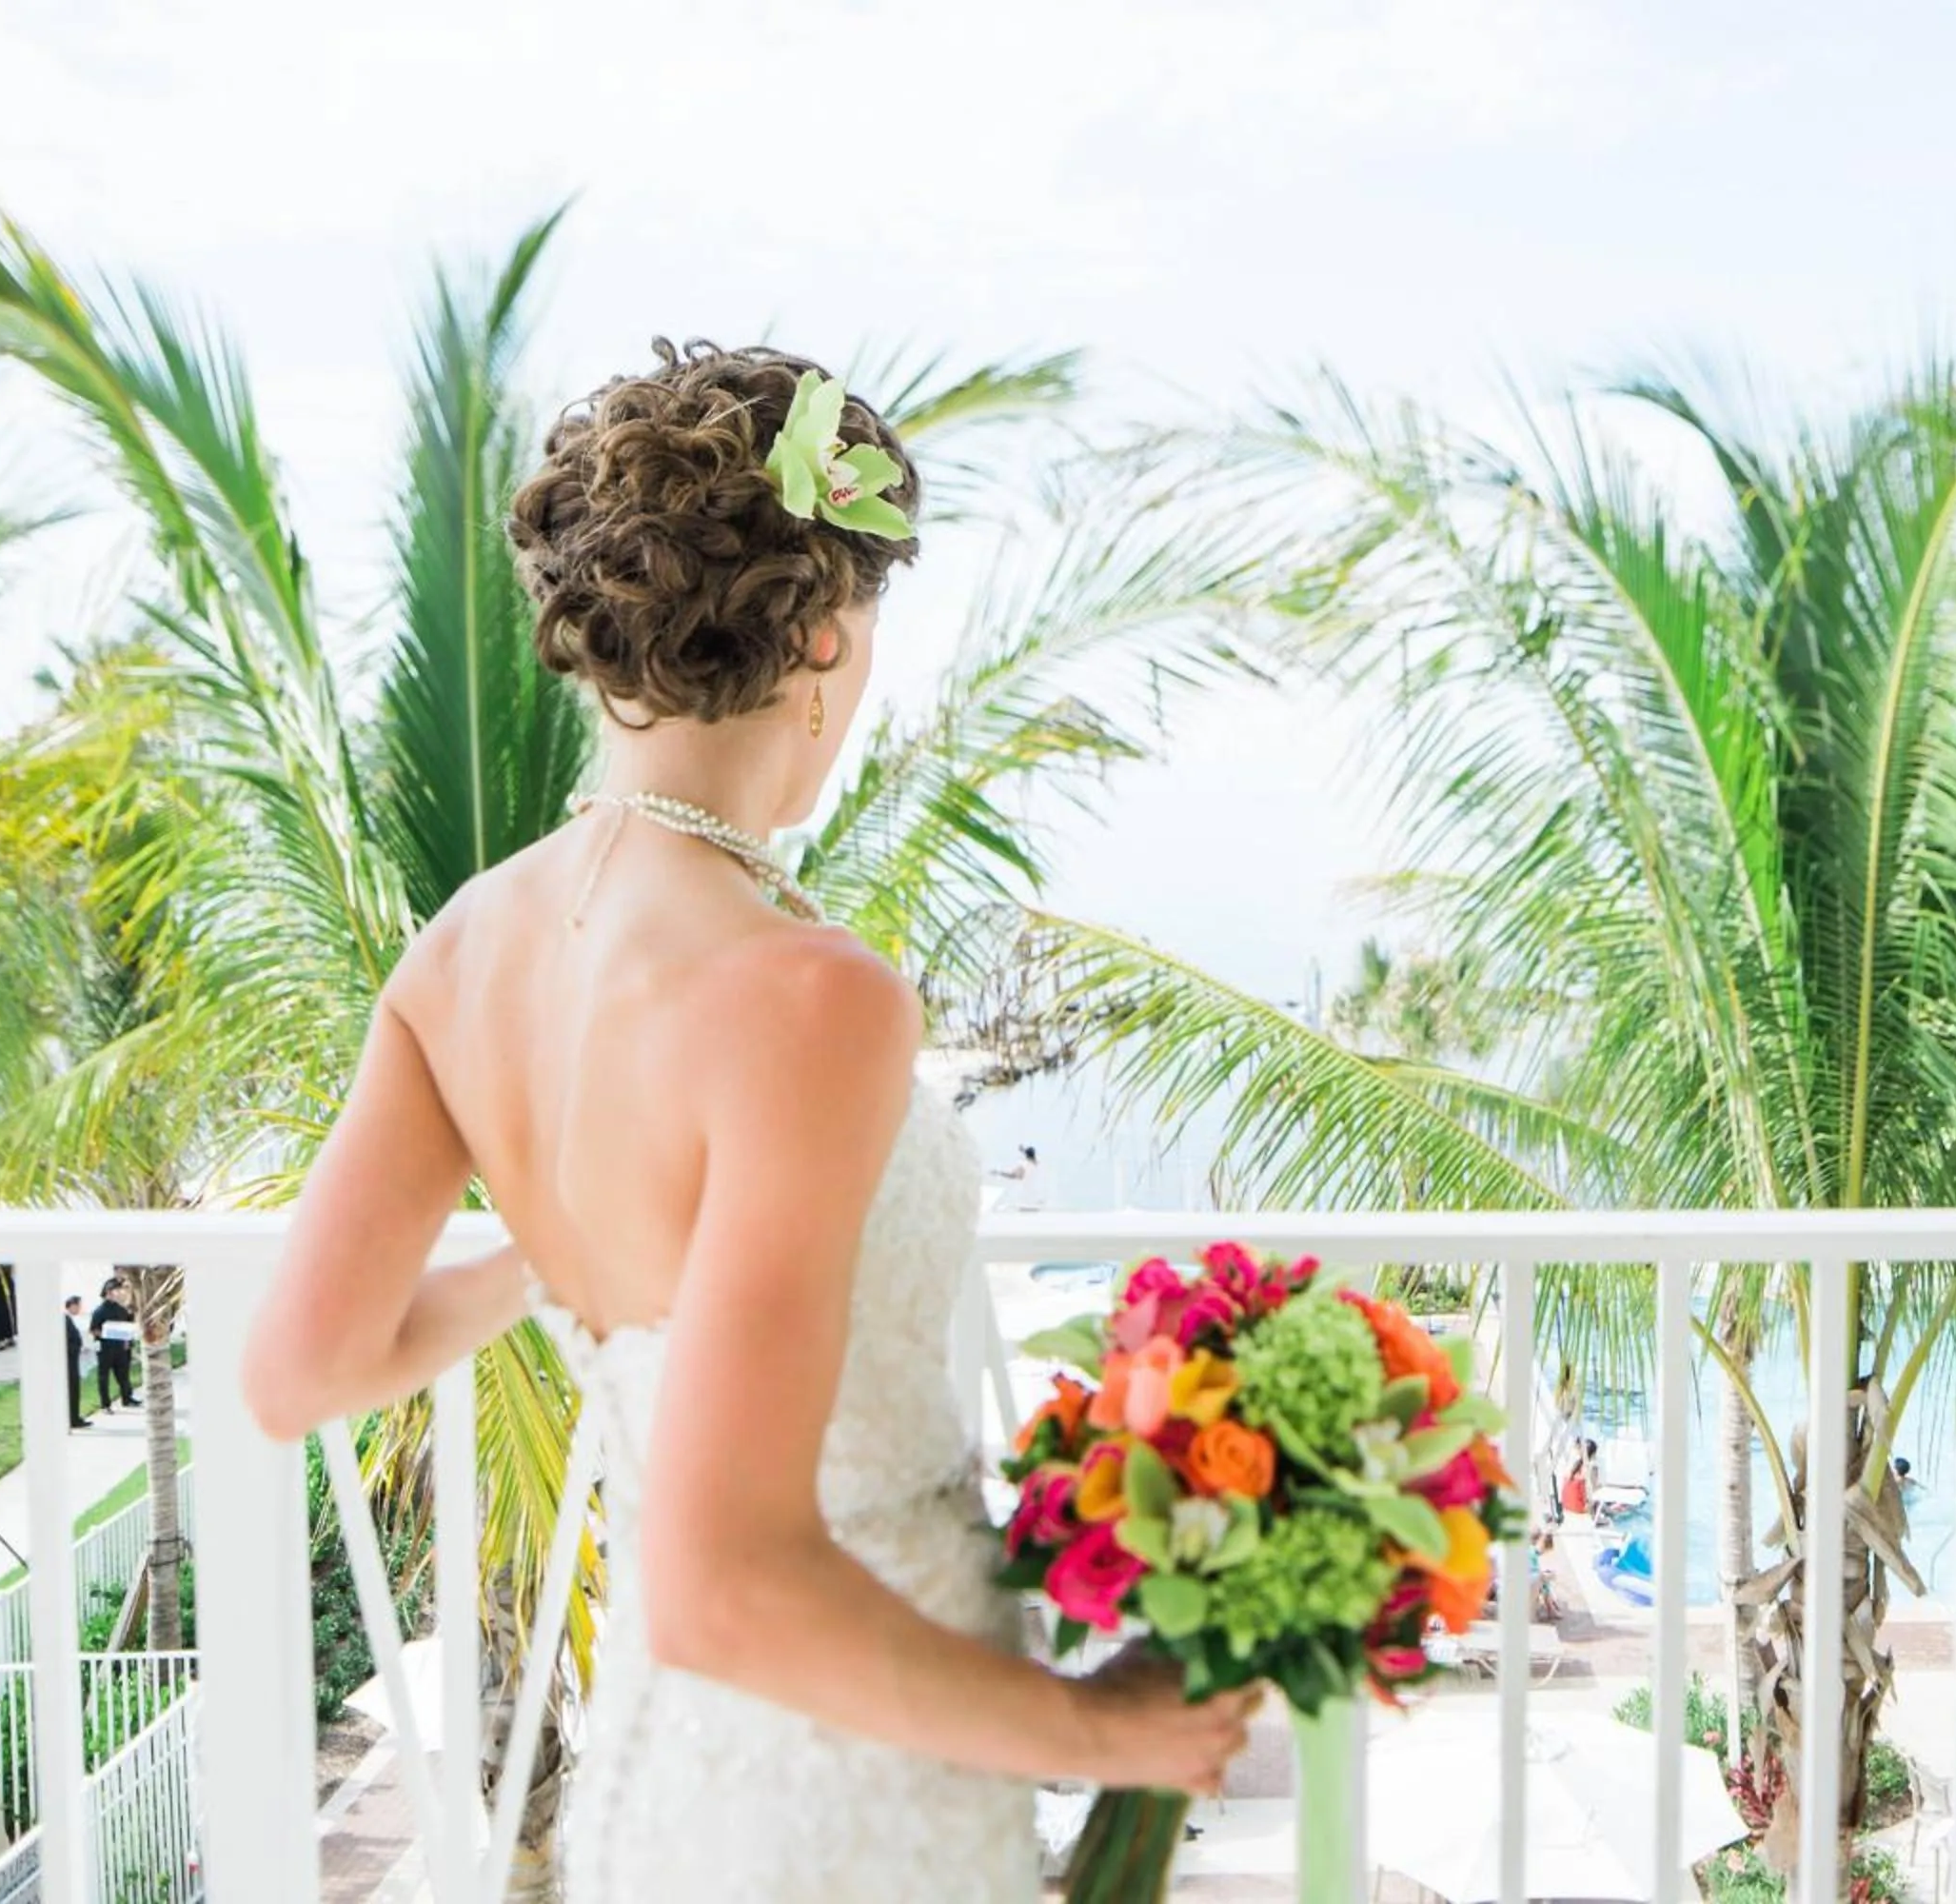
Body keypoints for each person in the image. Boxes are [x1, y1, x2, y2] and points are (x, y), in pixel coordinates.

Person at [239, 343, 1249, 1903]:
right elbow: (734, 1582)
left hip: (665, 1768)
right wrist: (1102, 1732)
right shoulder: (804, 991)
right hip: (845, 1769)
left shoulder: (463, 951)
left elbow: (301, 1370)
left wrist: (567, 1263)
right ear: (828, 640)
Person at [91, 1279, 140, 1413]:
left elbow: (127, 1327)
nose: (119, 1293)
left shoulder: (121, 1310)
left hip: (121, 1348)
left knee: (124, 1375)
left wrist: (127, 1341)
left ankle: (127, 1398)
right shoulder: (99, 1311)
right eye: (116, 1291)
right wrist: (107, 1333)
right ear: (108, 1292)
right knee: (104, 1377)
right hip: (105, 1348)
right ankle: (105, 1405)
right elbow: (94, 1329)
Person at [62, 1296, 90, 1430]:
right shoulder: (64, 1320)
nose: (80, 1309)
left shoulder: (68, 1320)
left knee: (74, 1389)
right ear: (71, 1305)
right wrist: (76, 1348)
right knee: (71, 1389)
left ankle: (74, 1416)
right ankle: (72, 1418)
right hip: (69, 1361)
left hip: (73, 1359)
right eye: (78, 1305)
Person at [1560, 1438, 1596, 1517]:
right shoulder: (1591, 1467)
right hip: (1581, 1507)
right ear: (1593, 1454)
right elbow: (1593, 1491)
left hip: (1567, 1504)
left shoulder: (1574, 1465)